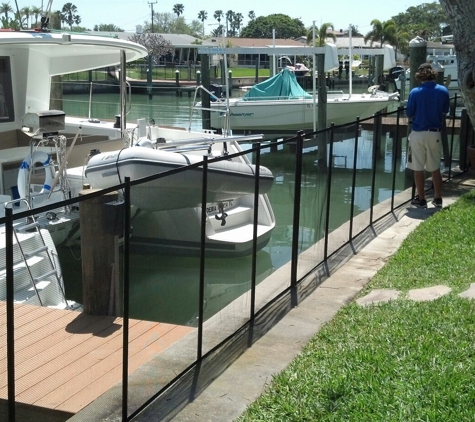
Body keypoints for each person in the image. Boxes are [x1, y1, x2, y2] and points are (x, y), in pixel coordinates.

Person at [406, 62, 450, 208]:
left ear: (419, 76)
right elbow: (445, 111)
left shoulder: (415, 92)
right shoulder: (443, 90)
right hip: (435, 133)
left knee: (417, 167)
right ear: (433, 74)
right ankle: (438, 198)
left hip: (418, 133)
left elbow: (409, 113)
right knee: (435, 167)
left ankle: (421, 199)